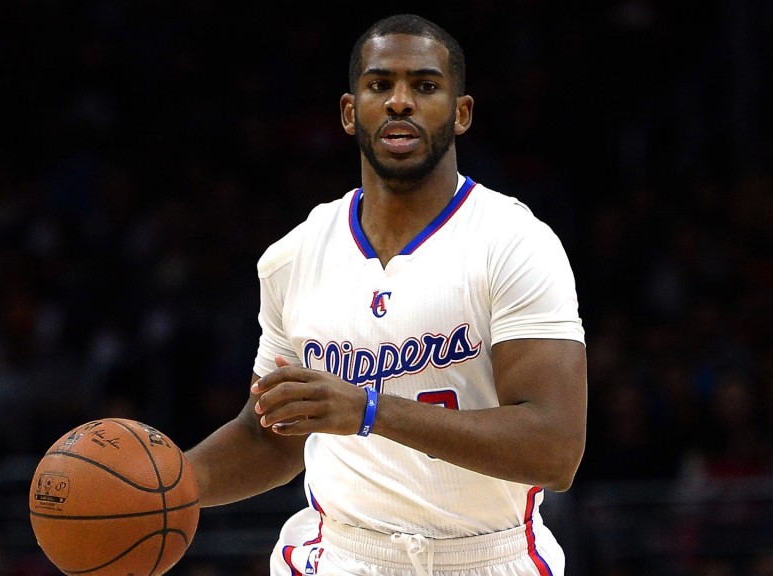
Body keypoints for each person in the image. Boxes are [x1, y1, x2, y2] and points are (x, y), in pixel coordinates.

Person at [184, 13, 587, 576]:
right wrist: (170, 486)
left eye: (424, 86)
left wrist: (368, 410)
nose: (401, 102)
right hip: (340, 554)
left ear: (461, 112)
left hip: (486, 556)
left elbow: (555, 450)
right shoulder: (292, 257)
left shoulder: (515, 243)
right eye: (380, 85)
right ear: (351, 113)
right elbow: (271, 434)